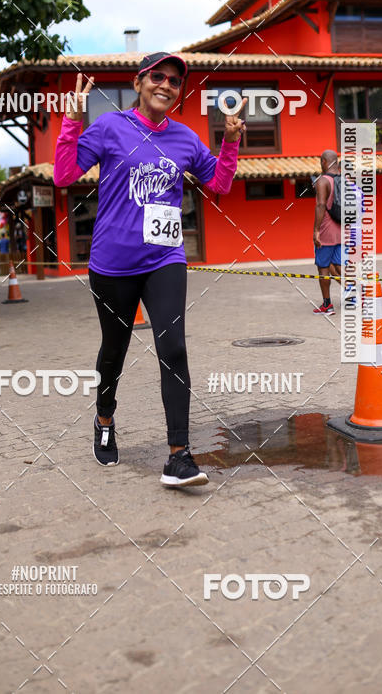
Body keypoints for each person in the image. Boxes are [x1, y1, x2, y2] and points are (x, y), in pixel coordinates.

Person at [54, 52, 245, 487]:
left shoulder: (185, 139)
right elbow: (64, 176)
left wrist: (229, 142)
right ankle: (104, 418)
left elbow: (218, 184)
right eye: (157, 76)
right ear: (139, 82)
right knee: (114, 349)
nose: (166, 85)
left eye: (175, 81)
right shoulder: (109, 127)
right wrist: (71, 122)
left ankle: (179, 456)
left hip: (165, 259)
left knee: (173, 347)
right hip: (112, 265)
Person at [313, 150, 343, 314]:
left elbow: (321, 205)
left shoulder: (323, 181)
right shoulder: (344, 179)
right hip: (342, 230)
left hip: (326, 231)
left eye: (320, 161)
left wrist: (316, 230)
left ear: (324, 161)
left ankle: (327, 305)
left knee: (323, 267)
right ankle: (360, 297)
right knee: (340, 266)